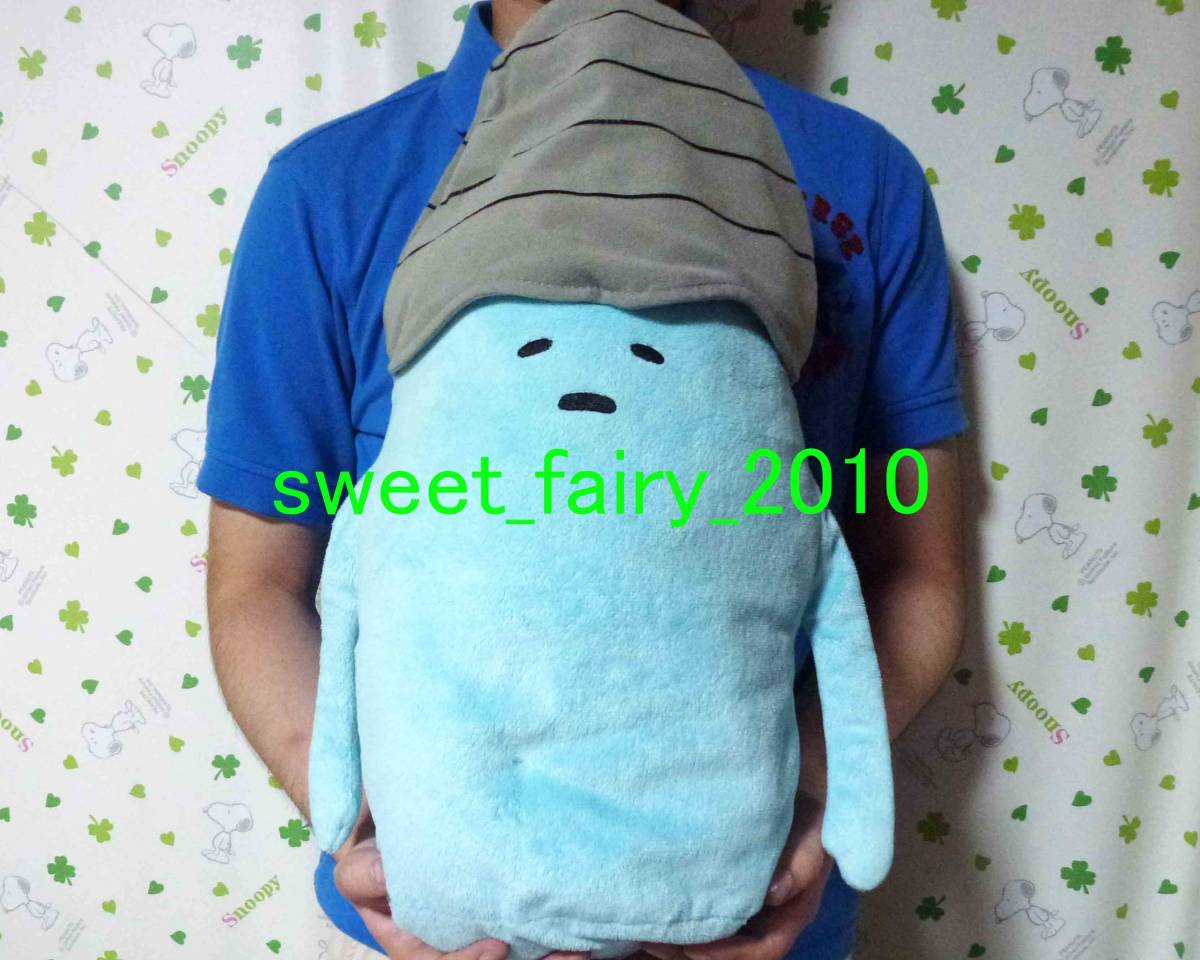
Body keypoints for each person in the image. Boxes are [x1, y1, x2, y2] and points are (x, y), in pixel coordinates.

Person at [198, 2, 968, 959]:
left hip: (746, 916)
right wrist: (370, 826)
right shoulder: (329, 190)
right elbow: (257, 586)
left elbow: (914, 570)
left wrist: (808, 791)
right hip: (443, 926)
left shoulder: (859, 176)